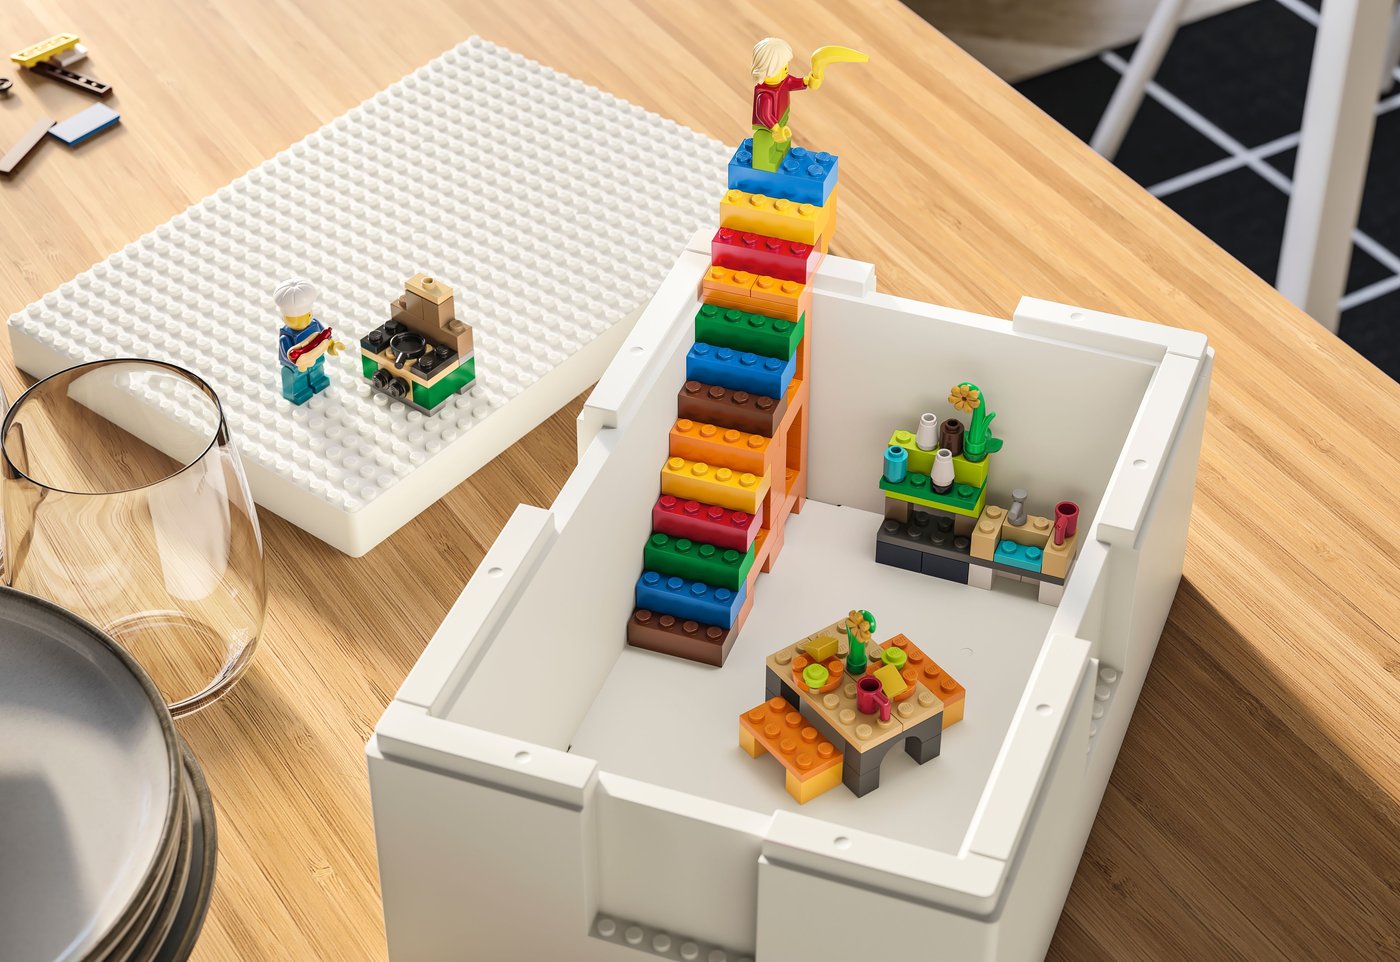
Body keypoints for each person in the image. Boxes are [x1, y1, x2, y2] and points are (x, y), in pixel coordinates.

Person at [274, 278, 343, 405]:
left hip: (316, 357)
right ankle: (297, 392)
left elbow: (325, 336)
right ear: (284, 318)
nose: (303, 322)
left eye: (307, 317)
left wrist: (332, 345)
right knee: (296, 378)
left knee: (317, 369)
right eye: (295, 320)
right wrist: (298, 360)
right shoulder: (286, 336)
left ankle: (317, 381)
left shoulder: (315, 324)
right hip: (296, 366)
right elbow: (287, 353)